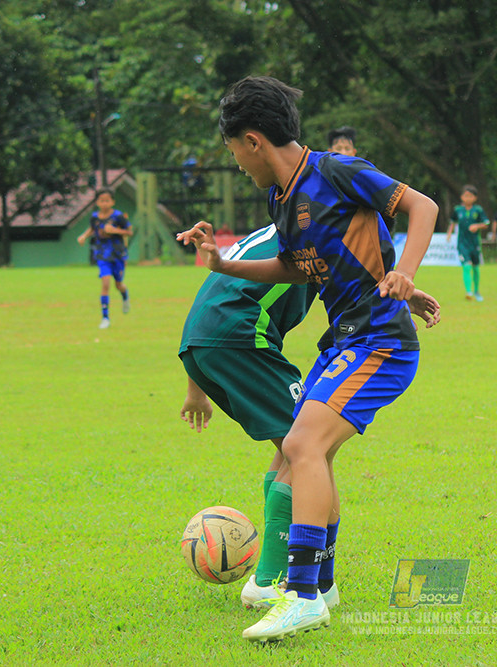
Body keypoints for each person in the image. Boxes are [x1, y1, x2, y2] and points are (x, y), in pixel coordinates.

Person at [176, 75, 438, 643]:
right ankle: (320, 584)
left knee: (301, 446)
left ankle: (299, 597)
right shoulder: (282, 197)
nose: (240, 165)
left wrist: (406, 273)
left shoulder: (336, 171)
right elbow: (298, 269)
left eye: (233, 154)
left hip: (379, 342)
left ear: (252, 142)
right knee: (304, 453)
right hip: (343, 341)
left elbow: (422, 206)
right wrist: (223, 265)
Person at [177, 223, 441, 613]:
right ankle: (271, 581)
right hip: (242, 334)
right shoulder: (318, 217)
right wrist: (404, 295)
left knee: (296, 447)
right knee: (308, 447)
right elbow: (347, 266)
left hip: (204, 339)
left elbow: (217, 293)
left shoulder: (283, 219)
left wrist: (195, 387)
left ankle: (312, 579)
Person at [76, 189, 133, 328]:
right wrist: (83, 236)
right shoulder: (95, 217)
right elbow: (92, 228)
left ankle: (125, 297)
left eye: (107, 200)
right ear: (97, 202)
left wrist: (115, 231)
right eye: (102, 200)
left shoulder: (119, 216)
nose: (105, 203)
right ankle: (105, 317)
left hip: (118, 255)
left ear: (112, 201)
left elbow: (129, 231)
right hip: (102, 255)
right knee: (105, 283)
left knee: (118, 285)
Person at [446, 184, 489, 301]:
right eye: (465, 196)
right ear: (461, 197)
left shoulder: (478, 210)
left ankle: (477, 291)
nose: (467, 198)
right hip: (462, 243)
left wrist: (477, 225)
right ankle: (468, 291)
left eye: (470, 196)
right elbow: (453, 222)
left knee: (475, 267)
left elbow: (486, 223)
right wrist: (449, 234)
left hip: (474, 243)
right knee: (466, 266)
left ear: (475, 198)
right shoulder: (458, 210)